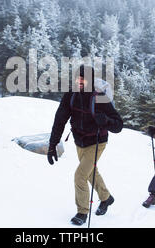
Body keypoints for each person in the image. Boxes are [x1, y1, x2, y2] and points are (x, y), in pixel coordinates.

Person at [47, 65, 123, 225]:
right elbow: (60, 119)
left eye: (84, 78)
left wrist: (107, 121)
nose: (80, 81)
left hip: (96, 142)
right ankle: (106, 198)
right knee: (90, 172)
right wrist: (52, 144)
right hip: (79, 141)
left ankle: (82, 212)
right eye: (78, 77)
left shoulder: (99, 97)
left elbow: (118, 125)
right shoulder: (71, 95)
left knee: (80, 176)